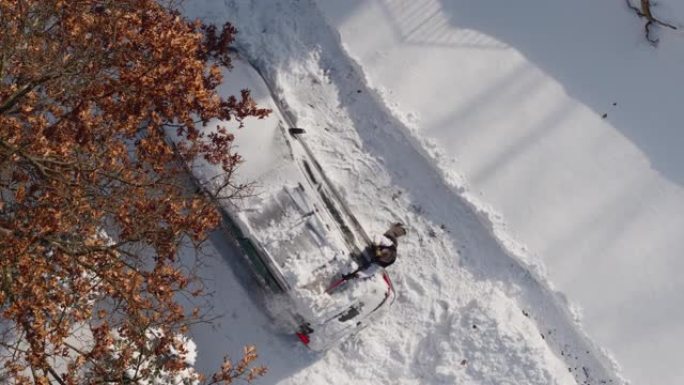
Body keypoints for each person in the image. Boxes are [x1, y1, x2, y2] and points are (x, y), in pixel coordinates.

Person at [342, 222, 407, 279]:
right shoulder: (388, 244)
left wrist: (358, 275)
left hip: (393, 245)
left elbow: (370, 271)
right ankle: (398, 228)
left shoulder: (382, 263)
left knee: (396, 238)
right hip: (389, 238)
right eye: (381, 253)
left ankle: (401, 230)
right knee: (391, 232)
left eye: (381, 258)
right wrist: (376, 244)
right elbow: (378, 236)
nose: (380, 255)